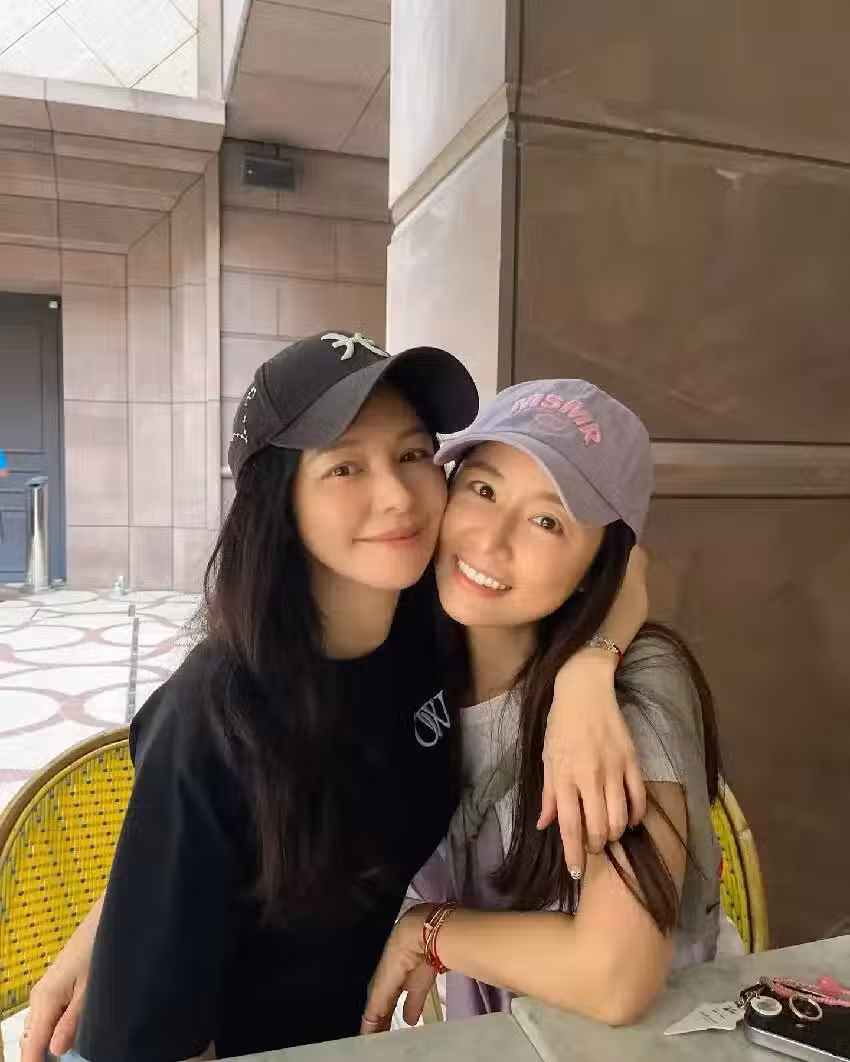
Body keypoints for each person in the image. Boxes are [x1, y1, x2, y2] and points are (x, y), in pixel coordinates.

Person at [21, 339, 649, 1062]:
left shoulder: (429, 623)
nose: (398, 496)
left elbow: (625, 562)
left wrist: (586, 676)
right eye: (345, 467)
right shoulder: (218, 718)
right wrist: (122, 919)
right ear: (279, 499)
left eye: (413, 455)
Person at [361, 379, 721, 1032]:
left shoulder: (637, 683)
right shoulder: (405, 652)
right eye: (483, 489)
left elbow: (613, 978)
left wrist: (429, 931)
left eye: (547, 521)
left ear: (597, 566)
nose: (491, 541)